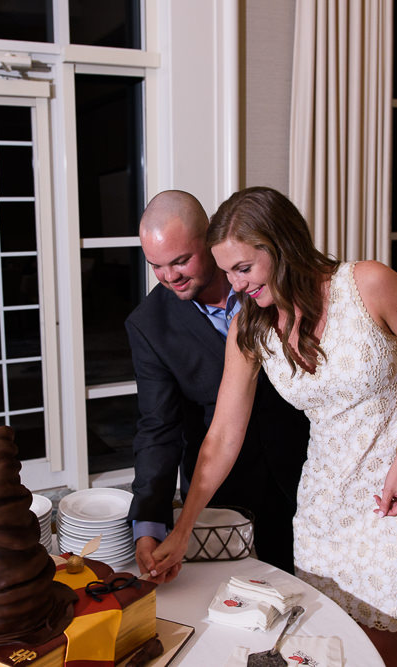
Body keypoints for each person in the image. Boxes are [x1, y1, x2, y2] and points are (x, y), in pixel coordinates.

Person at [150, 187, 397, 667]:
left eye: (243, 269)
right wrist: (183, 529)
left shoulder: (368, 284)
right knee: (329, 649)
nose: (234, 286)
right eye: (227, 272)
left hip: (395, 490)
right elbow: (223, 437)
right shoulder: (250, 328)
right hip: (322, 505)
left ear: (281, 246)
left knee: (384, 654)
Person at [125, 190, 310, 583]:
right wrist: (150, 523)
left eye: (180, 260)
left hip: (308, 459)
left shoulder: (265, 278)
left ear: (208, 239)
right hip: (225, 481)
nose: (169, 276)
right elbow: (158, 428)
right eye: (156, 265)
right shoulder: (149, 325)